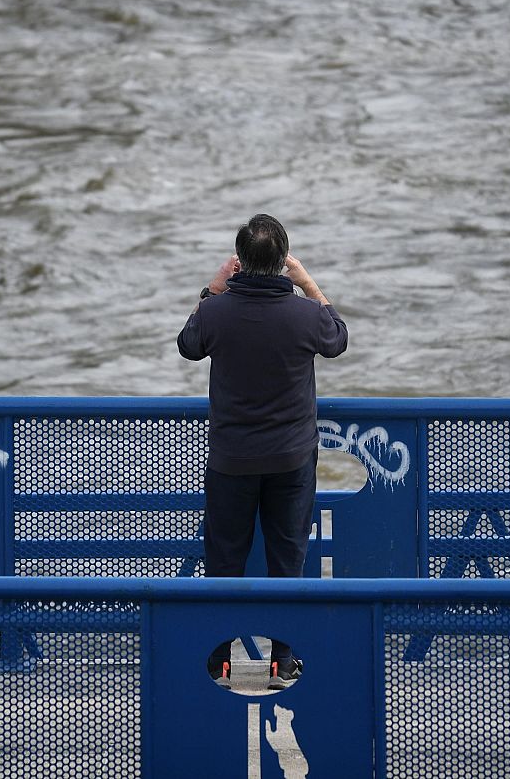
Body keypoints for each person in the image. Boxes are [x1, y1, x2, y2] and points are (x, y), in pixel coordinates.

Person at [177, 214, 348, 689]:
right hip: (292, 459)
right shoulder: (307, 316)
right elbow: (338, 340)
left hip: (231, 458)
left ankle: (220, 660)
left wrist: (212, 289)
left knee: (225, 559)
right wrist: (309, 282)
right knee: (287, 557)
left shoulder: (216, 313)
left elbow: (189, 345)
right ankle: (283, 661)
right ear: (283, 262)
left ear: (240, 264)